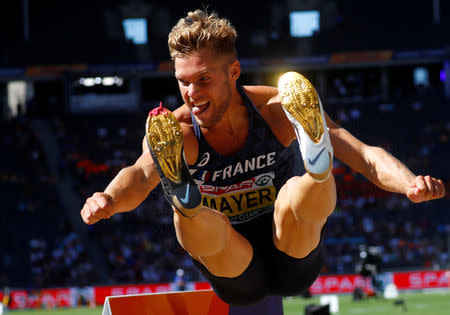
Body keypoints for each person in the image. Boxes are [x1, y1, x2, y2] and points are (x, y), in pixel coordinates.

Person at [80, 10, 445, 305]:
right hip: (233, 268)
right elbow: (142, 175)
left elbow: (364, 155)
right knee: (193, 220)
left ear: (233, 72)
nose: (191, 93)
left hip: (291, 248)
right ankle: (185, 198)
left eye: (204, 79)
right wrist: (108, 198)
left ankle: (318, 164)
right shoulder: (178, 132)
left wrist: (409, 183)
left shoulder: (277, 108)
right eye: (183, 81)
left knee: (297, 193)